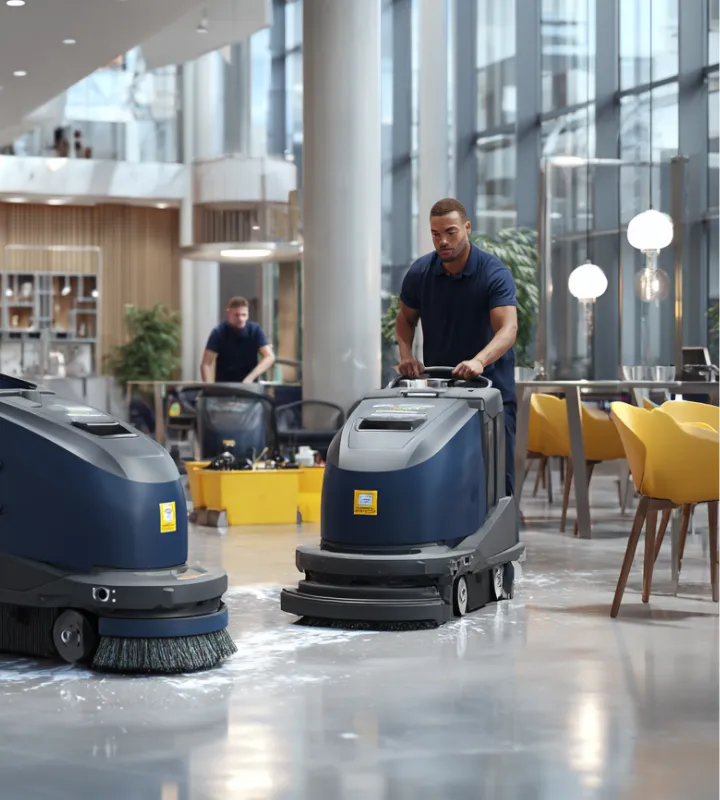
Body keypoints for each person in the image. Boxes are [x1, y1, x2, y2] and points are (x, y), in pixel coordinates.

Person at [395, 197, 518, 496]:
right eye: (436, 234)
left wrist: (479, 360)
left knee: (494, 479)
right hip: (440, 394)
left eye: (450, 232)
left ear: (467, 228)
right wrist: (407, 355)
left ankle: (498, 538)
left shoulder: (493, 273)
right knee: (444, 478)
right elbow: (404, 320)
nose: (443, 241)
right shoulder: (420, 273)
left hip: (490, 391)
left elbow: (508, 328)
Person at [201, 296, 276, 384]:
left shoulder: (255, 330)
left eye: (244, 315)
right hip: (224, 386)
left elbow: (270, 357)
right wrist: (209, 386)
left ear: (248, 313)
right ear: (229, 313)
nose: (240, 319)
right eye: (236, 315)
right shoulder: (219, 332)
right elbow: (206, 363)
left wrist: (250, 377)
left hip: (249, 386)